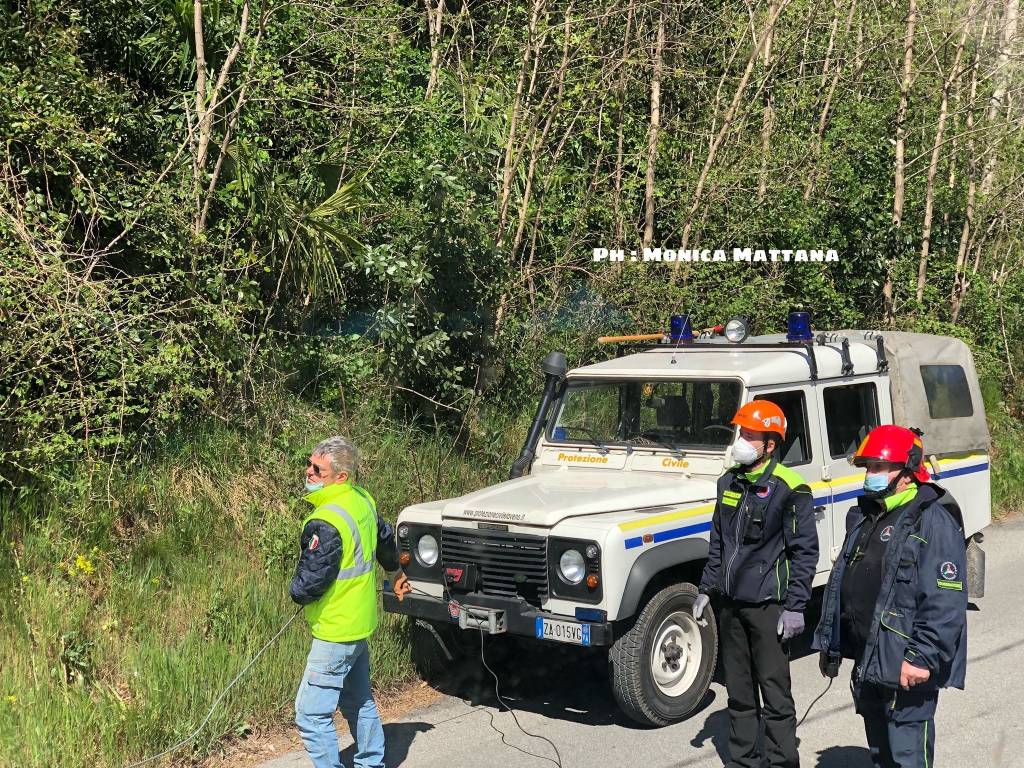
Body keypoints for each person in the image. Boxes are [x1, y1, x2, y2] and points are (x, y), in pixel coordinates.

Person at [813, 425, 968, 768]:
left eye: (880, 467)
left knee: (908, 759)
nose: (871, 474)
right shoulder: (868, 516)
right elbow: (843, 584)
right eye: (868, 467)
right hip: (871, 662)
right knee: (881, 757)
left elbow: (946, 604)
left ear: (908, 472)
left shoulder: (933, 522)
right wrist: (832, 644)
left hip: (906, 667)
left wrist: (921, 658)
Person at [695, 400, 818, 768]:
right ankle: (744, 761)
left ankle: (781, 762)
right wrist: (706, 588)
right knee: (739, 692)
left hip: (769, 608)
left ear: (769, 444)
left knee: (775, 694)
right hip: (731, 606)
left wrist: (796, 606)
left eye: (750, 435)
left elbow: (804, 552)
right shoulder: (728, 482)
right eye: (741, 433)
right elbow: (718, 541)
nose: (742, 441)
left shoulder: (791, 488)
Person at [290, 436, 402, 768]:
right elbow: (384, 538)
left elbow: (309, 583)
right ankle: (371, 764)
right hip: (360, 623)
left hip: (335, 631)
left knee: (311, 715)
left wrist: (296, 592)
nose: (308, 471)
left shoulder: (326, 521)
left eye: (317, 469)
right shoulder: (362, 500)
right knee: (358, 701)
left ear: (341, 476)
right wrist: (395, 572)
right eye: (310, 464)